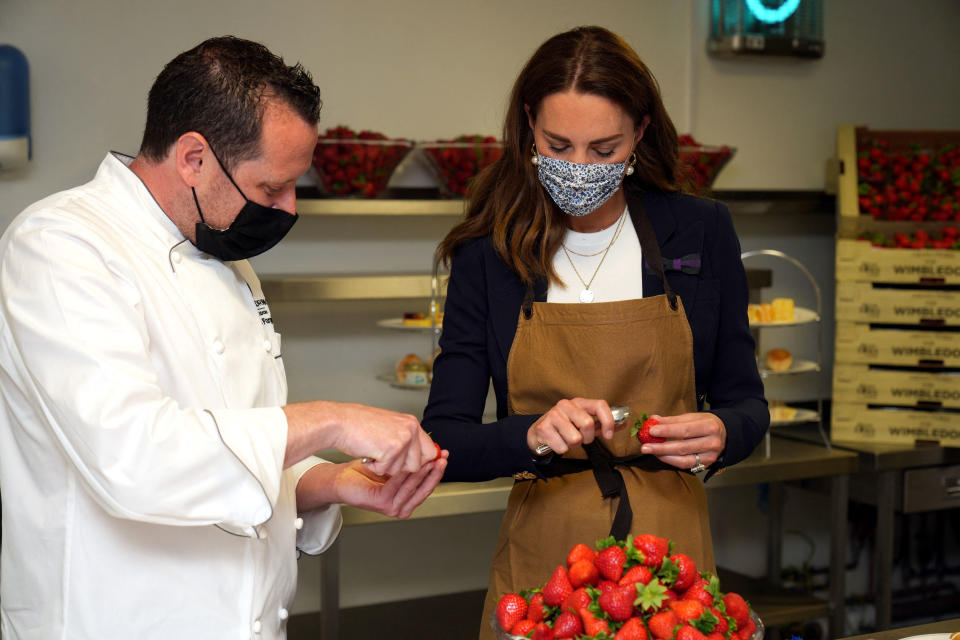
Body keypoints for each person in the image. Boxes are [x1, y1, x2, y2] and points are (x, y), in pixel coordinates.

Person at [0, 36, 446, 640]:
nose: (288, 209)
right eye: (270, 190)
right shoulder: (59, 245)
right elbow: (135, 457)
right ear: (193, 158)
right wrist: (334, 419)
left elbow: (237, 447)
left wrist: (333, 482)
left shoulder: (225, 257)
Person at [421, 26, 768, 637]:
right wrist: (529, 434)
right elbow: (444, 440)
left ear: (639, 132)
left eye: (604, 150)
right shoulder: (488, 253)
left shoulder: (701, 231)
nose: (579, 169)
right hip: (542, 561)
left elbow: (747, 404)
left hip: (672, 566)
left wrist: (723, 430)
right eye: (559, 145)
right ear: (529, 125)